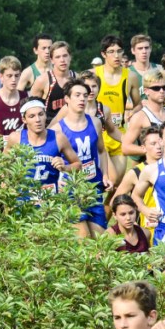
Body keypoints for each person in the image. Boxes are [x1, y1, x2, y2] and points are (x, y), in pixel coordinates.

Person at [50, 79, 112, 237]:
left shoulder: (96, 122)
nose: (82, 99)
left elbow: (102, 151)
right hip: (71, 189)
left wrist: (105, 174)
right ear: (67, 99)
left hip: (93, 187)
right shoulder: (58, 130)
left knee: (100, 240)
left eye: (85, 95)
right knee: (83, 239)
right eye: (77, 95)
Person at [4, 98, 80, 200]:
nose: (37, 120)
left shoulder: (58, 138)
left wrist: (64, 168)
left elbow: (78, 165)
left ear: (45, 115)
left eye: (40, 114)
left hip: (50, 204)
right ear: (24, 119)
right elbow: (2, 166)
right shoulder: (15, 138)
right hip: (22, 203)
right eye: (32, 116)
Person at [93, 35, 129, 179]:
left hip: (118, 133)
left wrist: (131, 112)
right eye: (111, 51)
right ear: (103, 54)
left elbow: (138, 103)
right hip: (99, 134)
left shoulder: (129, 76)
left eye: (119, 51)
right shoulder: (93, 75)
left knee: (118, 182)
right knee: (111, 179)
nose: (116, 55)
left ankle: (109, 203)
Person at [121, 67, 165, 157]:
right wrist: (151, 150)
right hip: (153, 167)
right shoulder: (140, 117)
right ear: (146, 91)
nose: (162, 91)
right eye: (156, 88)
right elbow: (125, 147)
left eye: (164, 87)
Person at [31, 41, 75, 116]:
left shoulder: (77, 78)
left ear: (70, 57)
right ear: (52, 60)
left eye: (65, 56)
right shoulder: (42, 80)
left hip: (73, 125)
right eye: (57, 57)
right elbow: (32, 108)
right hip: (50, 125)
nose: (62, 60)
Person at [126, 34, 153, 110]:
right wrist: (139, 104)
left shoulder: (159, 69)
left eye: (146, 48)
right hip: (135, 116)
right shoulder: (127, 73)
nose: (144, 51)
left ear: (150, 49)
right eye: (140, 48)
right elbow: (119, 102)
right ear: (133, 51)